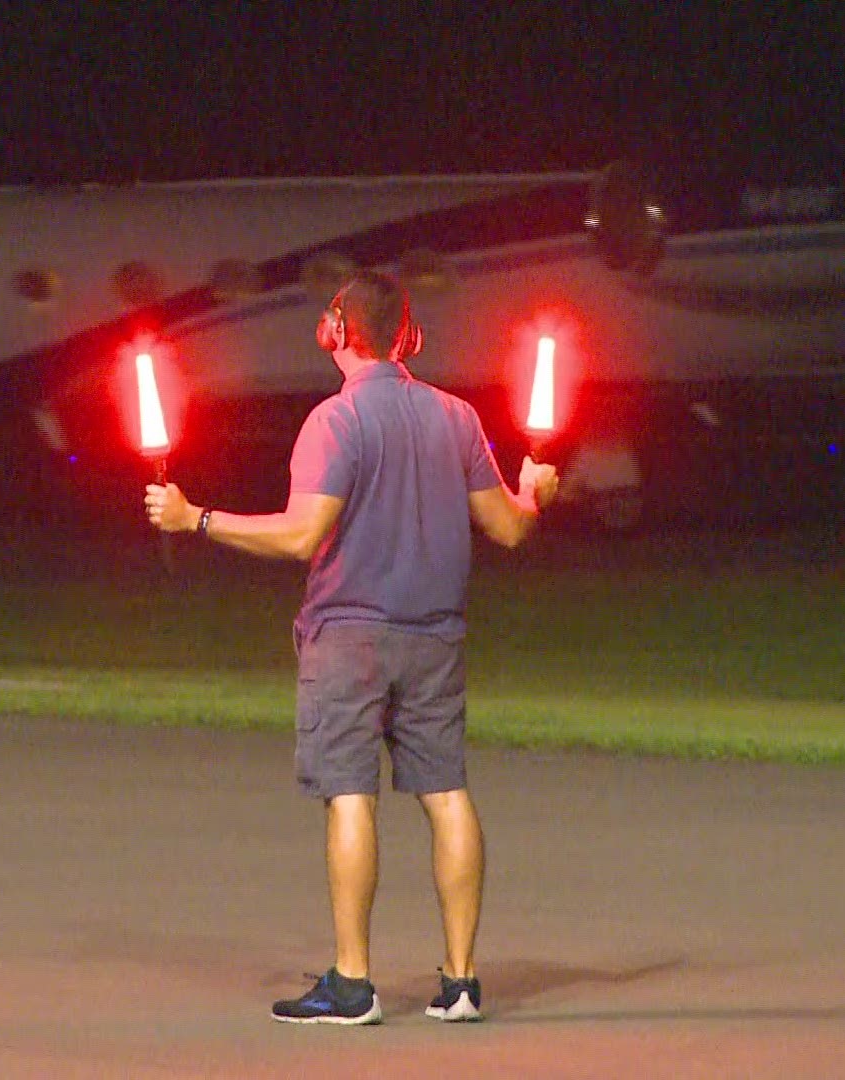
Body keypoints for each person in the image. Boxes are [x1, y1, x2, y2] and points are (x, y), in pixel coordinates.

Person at [144, 270, 560, 1025]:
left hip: (350, 636)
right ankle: (461, 983)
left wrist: (195, 518)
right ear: (407, 336)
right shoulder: (456, 417)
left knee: (350, 794)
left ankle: (353, 982)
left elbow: (302, 533)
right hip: (436, 636)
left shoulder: (334, 422)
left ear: (337, 330)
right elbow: (508, 526)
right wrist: (537, 494)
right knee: (446, 794)